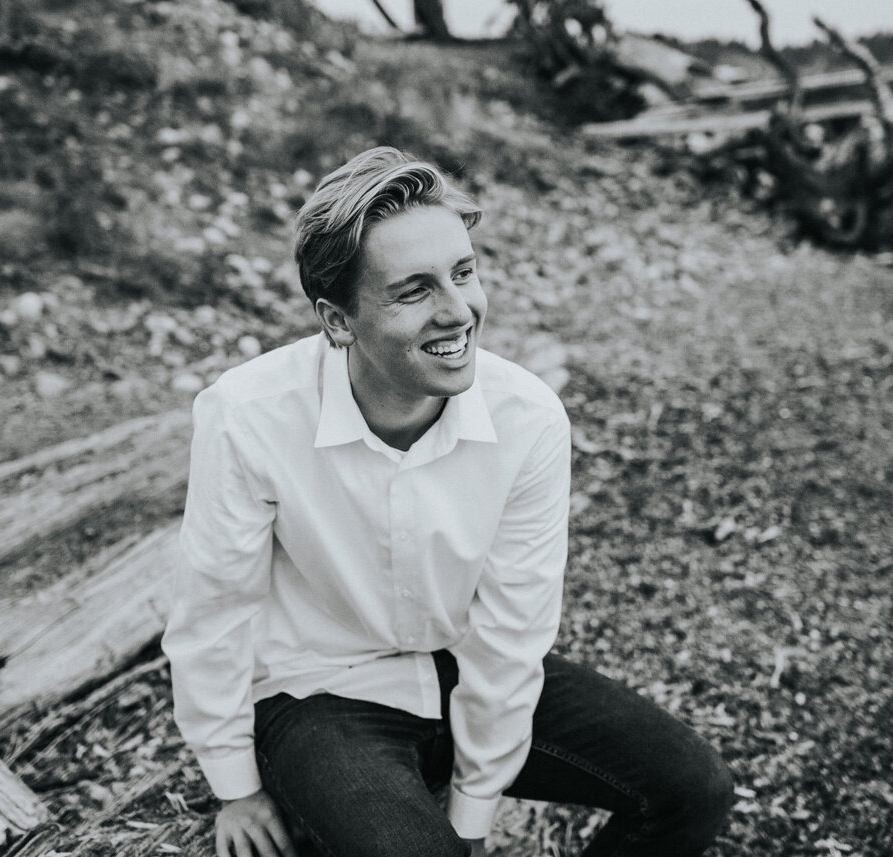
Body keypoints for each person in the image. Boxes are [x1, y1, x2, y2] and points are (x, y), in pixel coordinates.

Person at [161, 147, 734, 857]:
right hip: (320, 695)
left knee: (693, 786)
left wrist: (470, 812)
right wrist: (235, 785)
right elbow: (214, 607)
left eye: (464, 273)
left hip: (462, 661)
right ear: (338, 320)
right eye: (414, 290)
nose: (459, 311)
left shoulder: (527, 418)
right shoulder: (248, 414)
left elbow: (512, 629)